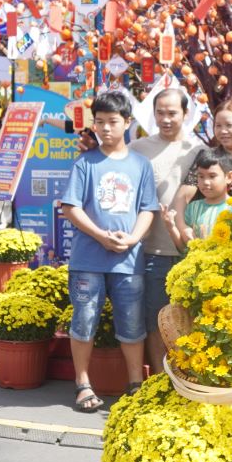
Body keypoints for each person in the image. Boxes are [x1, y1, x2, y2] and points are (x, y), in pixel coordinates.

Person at [59, 91, 157, 413]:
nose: (105, 128)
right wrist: (101, 236)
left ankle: (135, 384)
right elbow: (71, 208)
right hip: (88, 259)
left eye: (113, 122)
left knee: (131, 324)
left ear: (127, 123)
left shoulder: (141, 165)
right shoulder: (85, 163)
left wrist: (132, 240)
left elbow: (147, 209)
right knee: (84, 320)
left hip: (128, 261)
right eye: (99, 122)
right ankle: (83, 383)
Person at [130, 88, 200, 372]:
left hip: (189, 251)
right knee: (156, 320)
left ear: (185, 114)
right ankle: (160, 381)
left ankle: (187, 380)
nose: (166, 119)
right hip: (152, 250)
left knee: (189, 321)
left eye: (173, 113)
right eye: (160, 112)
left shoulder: (198, 151)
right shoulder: (137, 149)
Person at [174, 152, 232, 245]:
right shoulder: (193, 208)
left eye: (212, 176)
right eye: (201, 176)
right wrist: (171, 227)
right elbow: (184, 247)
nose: (205, 182)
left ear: (229, 177)